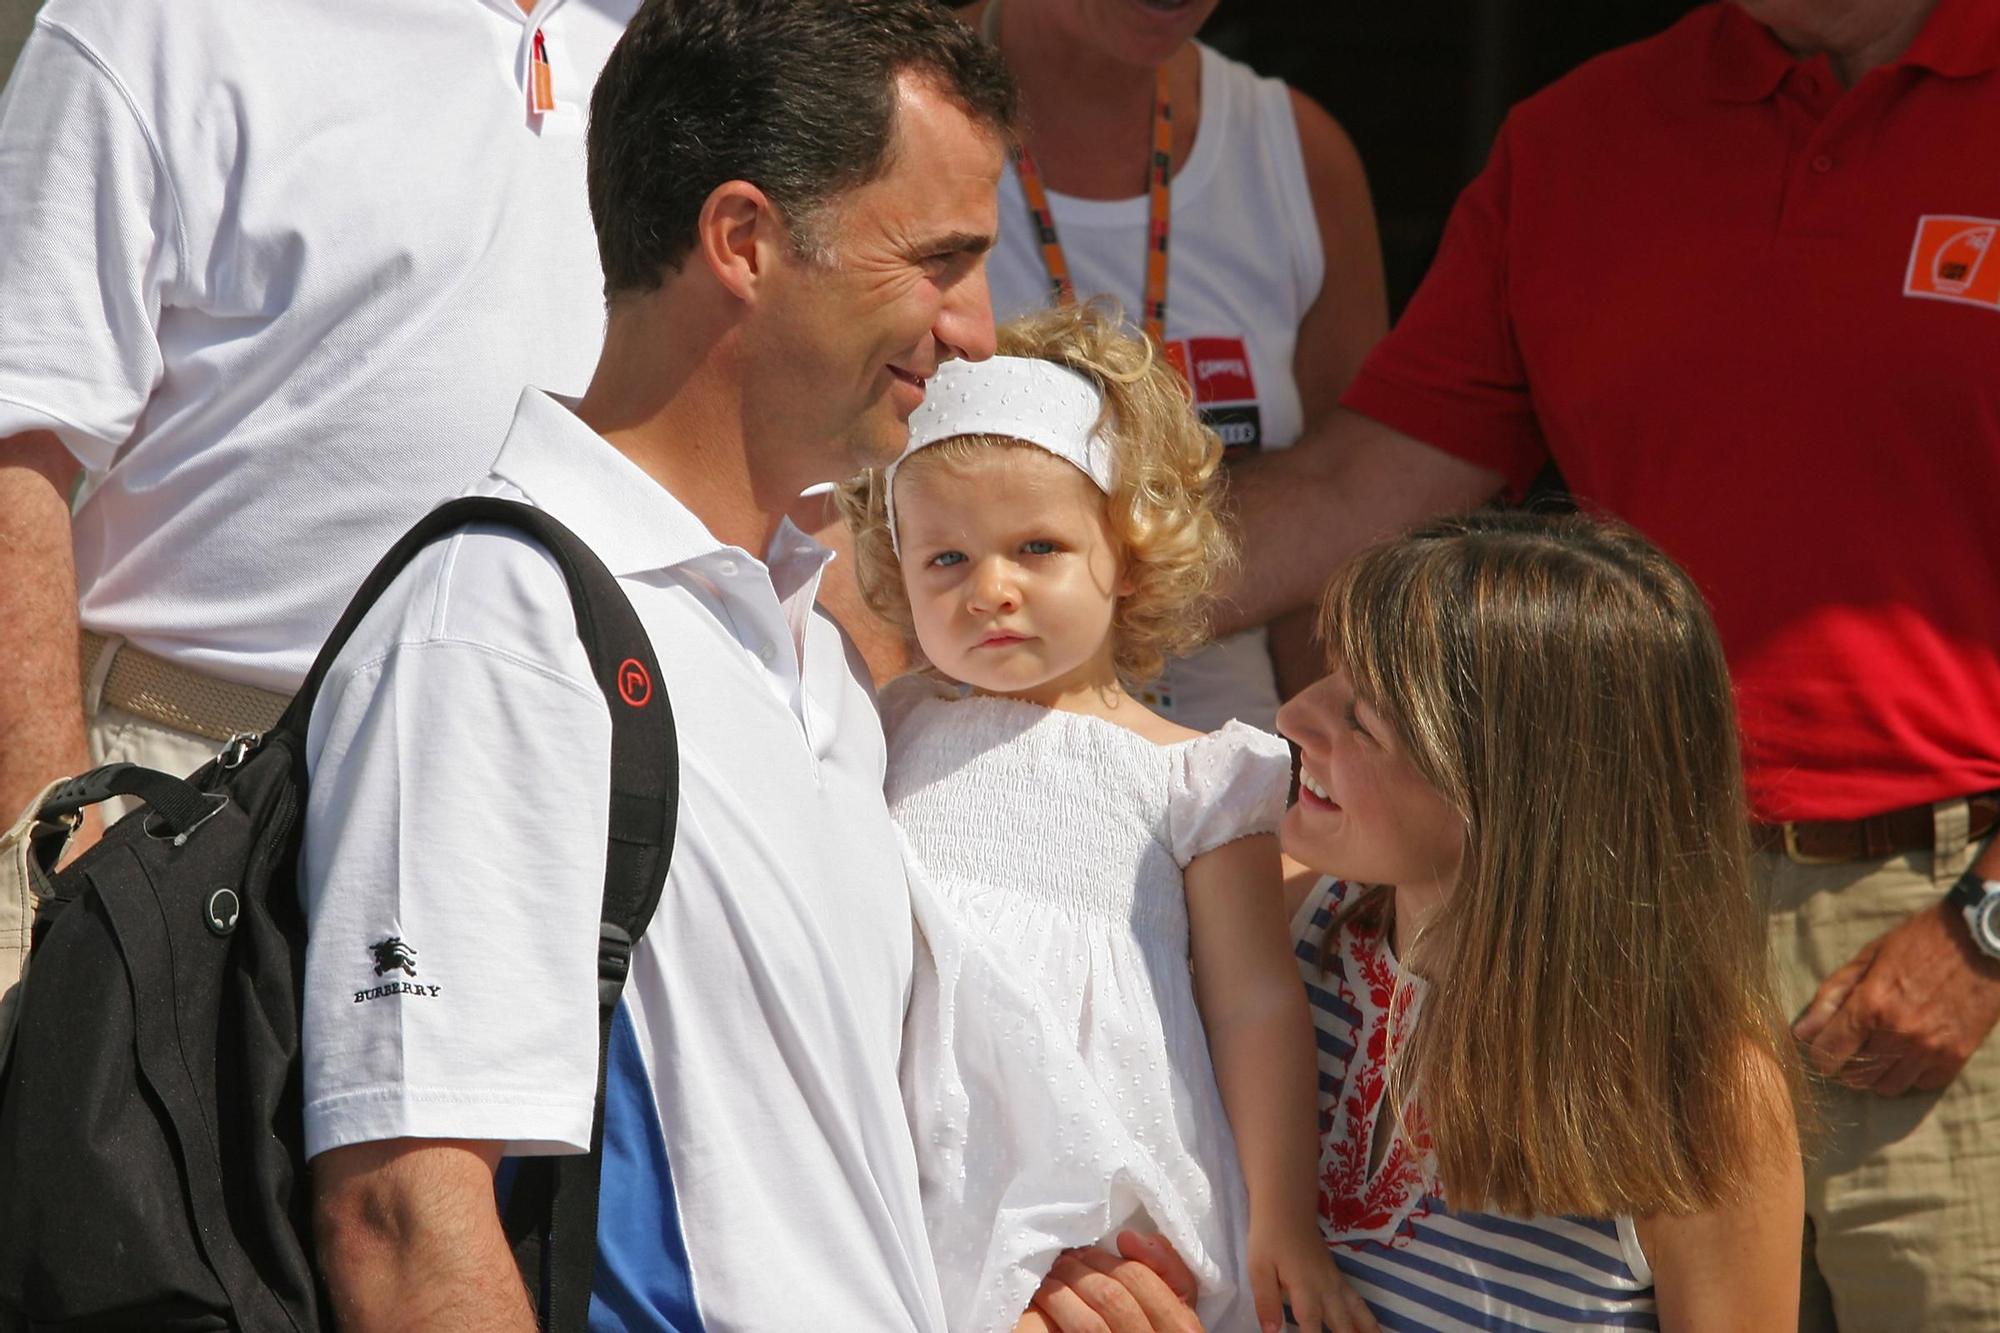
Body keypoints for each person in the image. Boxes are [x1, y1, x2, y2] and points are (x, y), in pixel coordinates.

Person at [300, 3, 1198, 1329]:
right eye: (938, 262)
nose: (974, 329)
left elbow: (801, 1198)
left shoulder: (810, 653)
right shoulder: (499, 628)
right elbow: (405, 1214)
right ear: (743, 242)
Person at [1220, 2, 2000, 1324]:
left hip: (1944, 933)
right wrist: (1011, 586)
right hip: (1580, 906)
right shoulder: (1582, 137)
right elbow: (1365, 486)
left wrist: (1988, 930)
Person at [838, 304, 1374, 1333]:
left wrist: (1283, 1222)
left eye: (1035, 546)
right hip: (913, 1191)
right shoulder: (882, 728)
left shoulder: (1194, 775)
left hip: (1119, 1202)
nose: (988, 589)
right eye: (944, 558)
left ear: (1124, 555)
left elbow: (1252, 1006)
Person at [0, 0, 638, 837]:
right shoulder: (161, 18)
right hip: (183, 794)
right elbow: (17, 439)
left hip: (567, 808)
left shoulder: (717, 41)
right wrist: (55, 840)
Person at [1273, 512, 1807, 1330]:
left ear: (1515, 795)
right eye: (1329, 675)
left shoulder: (1698, 1089)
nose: (1294, 714)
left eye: (1361, 717)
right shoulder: (1282, 922)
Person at [811, 0, 1386, 731]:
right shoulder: (867, 117)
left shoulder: (1300, 156)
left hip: (1235, 776)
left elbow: (1343, 569)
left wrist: (1315, 805)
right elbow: (821, 506)